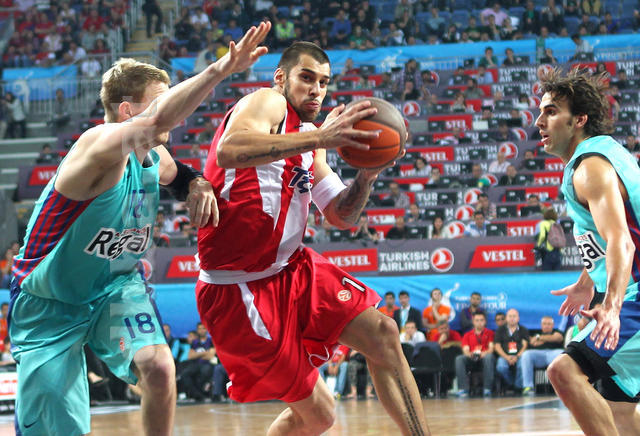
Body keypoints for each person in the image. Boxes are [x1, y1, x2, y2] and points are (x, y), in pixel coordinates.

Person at [8, 23, 270, 436]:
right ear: (128, 111)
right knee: (56, 429)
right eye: (161, 100)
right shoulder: (97, 146)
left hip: (114, 288)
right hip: (49, 300)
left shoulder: (153, 155)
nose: (174, 112)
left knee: (159, 368)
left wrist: (197, 184)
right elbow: (161, 118)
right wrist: (221, 69)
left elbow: (179, 174)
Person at [195, 41, 429, 435]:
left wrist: (367, 176)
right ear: (281, 77)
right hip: (238, 288)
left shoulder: (310, 137)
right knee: (320, 416)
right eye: (306, 78)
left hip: (290, 269)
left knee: (384, 333)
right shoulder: (267, 102)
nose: (316, 90)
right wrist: (320, 139)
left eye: (323, 82)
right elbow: (230, 150)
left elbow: (340, 215)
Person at [537, 68, 640, 435]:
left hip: (636, 295)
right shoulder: (609, 153)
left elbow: (622, 241)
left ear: (579, 119)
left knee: (563, 372)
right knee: (618, 410)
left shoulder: (589, 168)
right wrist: (587, 279)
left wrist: (611, 306)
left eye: (551, 112)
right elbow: (615, 231)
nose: (539, 121)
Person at [520, 316, 564, 396]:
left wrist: (539, 338)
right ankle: (528, 387)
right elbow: (533, 343)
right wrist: (548, 338)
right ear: (541, 325)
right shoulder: (535, 333)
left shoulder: (557, 332)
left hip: (553, 353)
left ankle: (560, 387)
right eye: (544, 324)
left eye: (549, 324)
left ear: (553, 325)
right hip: (539, 355)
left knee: (561, 353)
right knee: (526, 354)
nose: (546, 326)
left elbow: (557, 338)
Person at [455, 312, 495, 398]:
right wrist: (471, 354)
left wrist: (484, 353)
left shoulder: (490, 333)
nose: (479, 322)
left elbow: (491, 348)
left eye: (481, 320)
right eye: (477, 320)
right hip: (472, 358)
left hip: (484, 357)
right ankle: (463, 389)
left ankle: (487, 388)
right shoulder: (467, 334)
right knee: (459, 358)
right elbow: (465, 350)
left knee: (489, 357)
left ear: (485, 321)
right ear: (473, 321)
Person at [494, 309, 529, 391]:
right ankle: (511, 383)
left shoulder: (523, 329)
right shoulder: (500, 330)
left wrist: (517, 356)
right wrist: (507, 357)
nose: (512, 318)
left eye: (514, 316)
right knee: (501, 367)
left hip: (519, 356)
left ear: (518, 318)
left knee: (522, 365)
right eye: (510, 316)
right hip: (505, 356)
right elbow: (497, 346)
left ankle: (517, 386)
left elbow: (525, 345)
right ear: (506, 318)